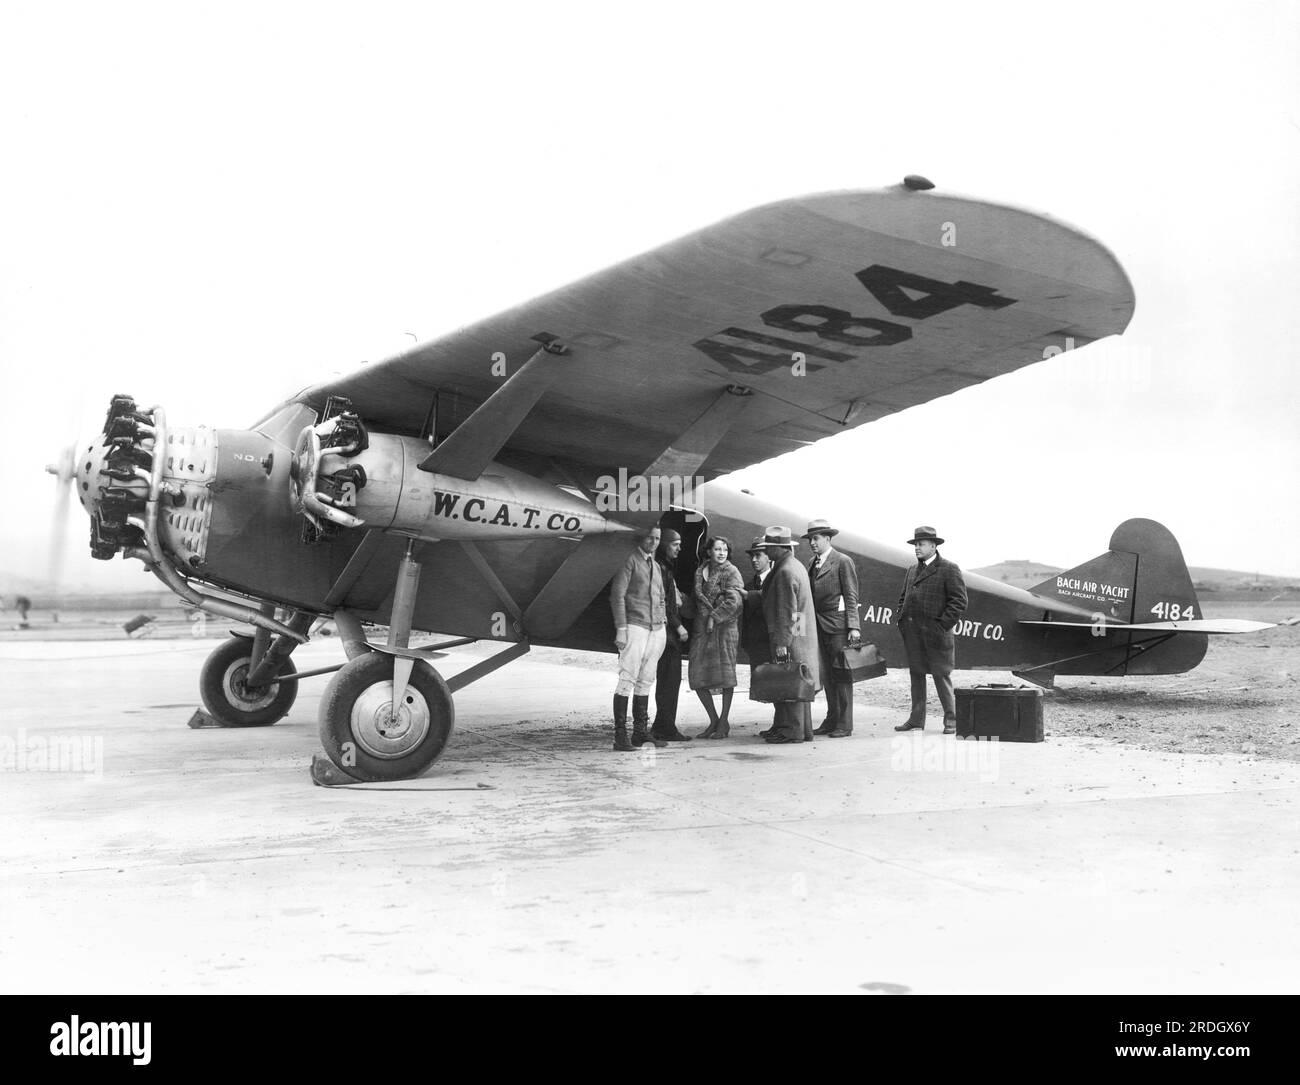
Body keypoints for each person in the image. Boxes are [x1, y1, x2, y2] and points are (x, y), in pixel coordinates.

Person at [895, 526, 968, 734]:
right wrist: (900, 618)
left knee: (941, 675)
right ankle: (916, 720)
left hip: (936, 636)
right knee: (916, 675)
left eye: (921, 544)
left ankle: (952, 720)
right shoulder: (911, 570)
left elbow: (959, 601)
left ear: (933, 546)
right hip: (913, 634)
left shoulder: (949, 568)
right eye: (915, 544)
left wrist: (941, 626)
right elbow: (903, 597)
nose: (916, 548)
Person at [609, 526, 669, 751]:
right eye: (650, 537)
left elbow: (662, 596)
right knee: (628, 677)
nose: (653, 542)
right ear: (641, 537)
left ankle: (640, 733)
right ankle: (620, 736)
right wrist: (621, 628)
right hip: (635, 625)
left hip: (655, 628)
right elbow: (618, 595)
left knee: (646, 678)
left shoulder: (655, 565)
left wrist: (662, 620)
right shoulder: (630, 560)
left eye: (657, 539)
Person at [759, 527, 820, 744]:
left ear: (778, 548)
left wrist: (783, 643)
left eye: (768, 547)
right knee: (801, 681)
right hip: (801, 633)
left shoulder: (785, 571)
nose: (766, 551)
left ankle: (792, 731)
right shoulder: (795, 565)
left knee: (791, 680)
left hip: (791, 635)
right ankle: (802, 730)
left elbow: (787, 611)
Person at [804, 519, 862, 738]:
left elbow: (851, 595)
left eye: (816, 538)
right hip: (818, 625)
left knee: (842, 675)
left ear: (828, 539)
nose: (812, 543)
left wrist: (853, 627)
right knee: (827, 675)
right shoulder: (812, 562)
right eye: (810, 539)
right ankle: (832, 719)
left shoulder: (842, 561)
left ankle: (845, 724)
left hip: (838, 626)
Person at [689, 536, 745, 739]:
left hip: (725, 629)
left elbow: (735, 601)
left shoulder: (732, 571)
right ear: (709, 551)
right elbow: (697, 601)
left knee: (726, 677)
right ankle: (714, 719)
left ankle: (723, 722)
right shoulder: (700, 570)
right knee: (697, 676)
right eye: (717, 549)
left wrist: (714, 617)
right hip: (701, 629)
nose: (721, 553)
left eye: (725, 549)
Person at [651, 528, 692, 743]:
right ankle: (664, 728)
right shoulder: (661, 568)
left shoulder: (664, 566)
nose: (679, 548)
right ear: (665, 544)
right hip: (667, 632)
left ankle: (664, 725)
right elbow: (664, 602)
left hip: (666, 630)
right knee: (669, 680)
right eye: (675, 544)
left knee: (669, 680)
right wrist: (678, 627)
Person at [741, 535, 779, 739]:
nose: (754, 560)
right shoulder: (750, 583)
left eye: (759, 555)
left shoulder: (775, 580)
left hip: (772, 643)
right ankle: (777, 724)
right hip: (756, 644)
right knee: (769, 685)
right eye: (752, 556)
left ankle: (781, 723)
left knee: (779, 683)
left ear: (769, 558)